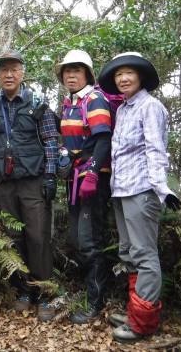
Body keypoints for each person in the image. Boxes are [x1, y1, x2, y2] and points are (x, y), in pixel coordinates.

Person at [98, 52, 181, 343]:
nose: (123, 79)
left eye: (128, 73)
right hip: (121, 189)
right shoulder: (123, 109)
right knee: (129, 252)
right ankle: (136, 310)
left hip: (142, 191)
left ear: (140, 76)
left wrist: (162, 188)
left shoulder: (150, 106)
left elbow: (156, 149)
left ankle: (143, 323)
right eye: (119, 74)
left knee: (144, 254)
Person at [0, 50, 59, 322]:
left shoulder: (38, 102)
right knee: (13, 237)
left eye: (13, 69)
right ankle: (23, 291)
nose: (8, 75)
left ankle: (45, 293)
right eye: (3, 70)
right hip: (4, 183)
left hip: (33, 181)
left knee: (37, 236)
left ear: (22, 73)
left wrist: (51, 176)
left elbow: (51, 140)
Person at [55, 49, 112, 324]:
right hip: (74, 180)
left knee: (89, 241)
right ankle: (92, 293)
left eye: (76, 70)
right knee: (77, 240)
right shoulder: (70, 102)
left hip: (92, 179)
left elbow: (103, 139)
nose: (71, 75)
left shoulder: (94, 98)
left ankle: (95, 302)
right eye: (67, 71)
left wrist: (91, 173)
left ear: (87, 74)